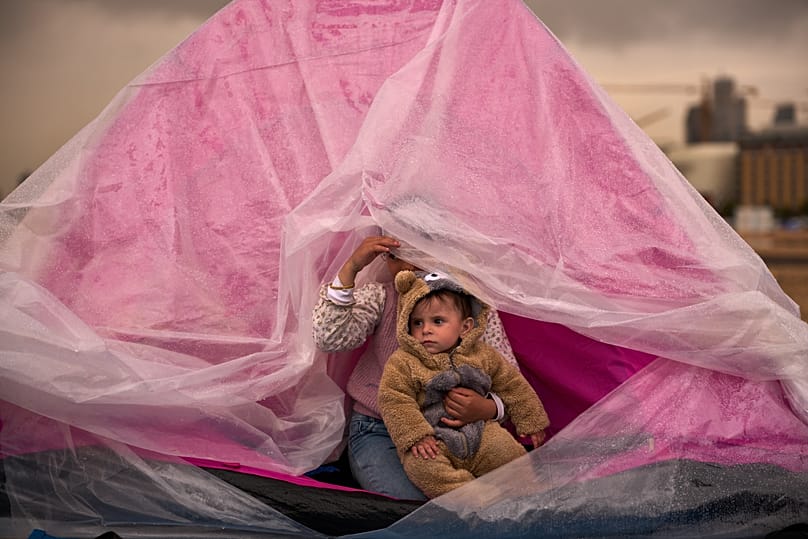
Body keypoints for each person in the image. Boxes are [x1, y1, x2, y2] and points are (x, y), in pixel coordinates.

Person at [312, 235, 522, 500]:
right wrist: (352, 267)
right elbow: (329, 337)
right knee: (416, 509)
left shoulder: (472, 308)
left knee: (508, 496)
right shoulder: (383, 298)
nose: (407, 267)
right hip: (380, 430)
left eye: (418, 255)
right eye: (395, 257)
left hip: (456, 432)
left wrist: (490, 408)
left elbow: (509, 380)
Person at [378, 270, 549, 499]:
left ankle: (528, 495)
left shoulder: (484, 355)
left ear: (465, 327)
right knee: (423, 467)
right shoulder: (404, 362)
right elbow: (393, 398)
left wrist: (531, 420)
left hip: (479, 431)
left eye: (437, 321)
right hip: (433, 438)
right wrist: (416, 436)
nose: (425, 330)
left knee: (509, 453)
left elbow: (513, 385)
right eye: (417, 323)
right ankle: (472, 498)